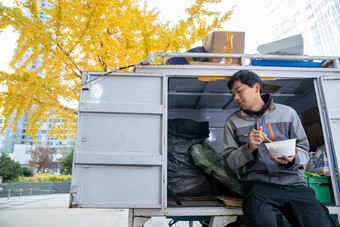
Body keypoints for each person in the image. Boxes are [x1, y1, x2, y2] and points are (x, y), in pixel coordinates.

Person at [222, 70, 337, 227]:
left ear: (256, 87)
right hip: (257, 185)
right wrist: (248, 148)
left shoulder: (288, 114)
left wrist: (293, 159)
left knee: (320, 222)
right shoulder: (232, 122)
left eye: (239, 91)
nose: (235, 98)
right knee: (260, 222)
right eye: (232, 94)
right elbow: (229, 161)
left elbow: (304, 150)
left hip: (293, 183)